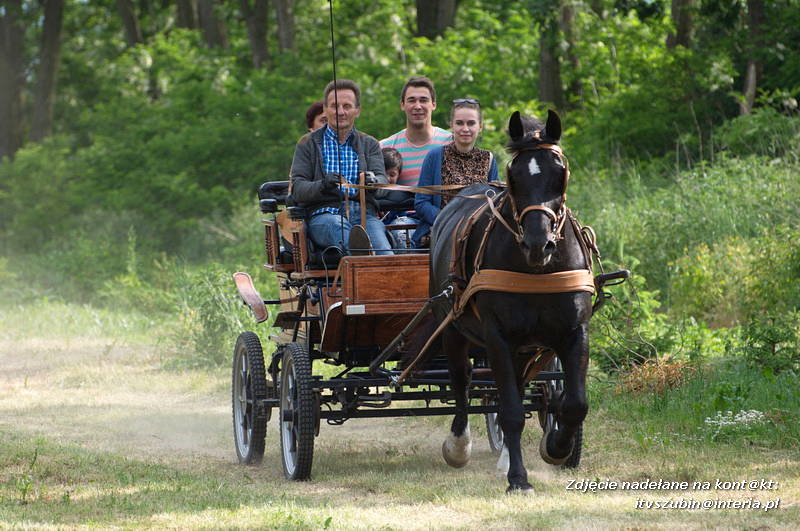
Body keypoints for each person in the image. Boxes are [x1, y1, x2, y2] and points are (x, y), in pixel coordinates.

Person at [289, 79, 393, 255]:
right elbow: (298, 188)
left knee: (385, 254)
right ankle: (363, 258)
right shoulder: (307, 143)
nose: (340, 112)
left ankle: (376, 269)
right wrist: (322, 185)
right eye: (334, 106)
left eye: (347, 106)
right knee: (342, 231)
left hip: (365, 216)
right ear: (325, 109)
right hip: (324, 216)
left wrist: (373, 183)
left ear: (357, 111)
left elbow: (383, 182)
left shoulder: (370, 144)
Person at [413, 99, 499, 248]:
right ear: (452, 126)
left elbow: (494, 203)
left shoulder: (489, 159)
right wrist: (449, 221)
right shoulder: (435, 156)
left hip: (478, 235)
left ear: (480, 127)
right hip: (440, 233)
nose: (465, 128)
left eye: (471, 123)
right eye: (459, 123)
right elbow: (421, 202)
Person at [380, 76, 452, 187]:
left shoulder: (450, 143)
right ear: (402, 105)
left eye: (423, 100)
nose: (417, 106)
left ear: (433, 104)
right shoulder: (386, 147)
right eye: (411, 100)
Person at [379, 147, 416, 249]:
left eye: (392, 174)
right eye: (383, 173)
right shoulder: (370, 193)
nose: (387, 178)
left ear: (399, 175)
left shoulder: (401, 195)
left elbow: (403, 216)